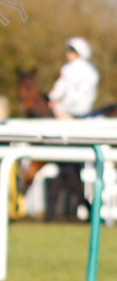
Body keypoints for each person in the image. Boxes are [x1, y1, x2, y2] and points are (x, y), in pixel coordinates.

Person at [46, 37, 99, 219]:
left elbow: (79, 97)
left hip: (80, 116)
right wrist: (52, 101)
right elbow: (57, 89)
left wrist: (60, 106)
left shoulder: (89, 72)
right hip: (64, 113)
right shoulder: (67, 69)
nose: (69, 53)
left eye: (72, 50)